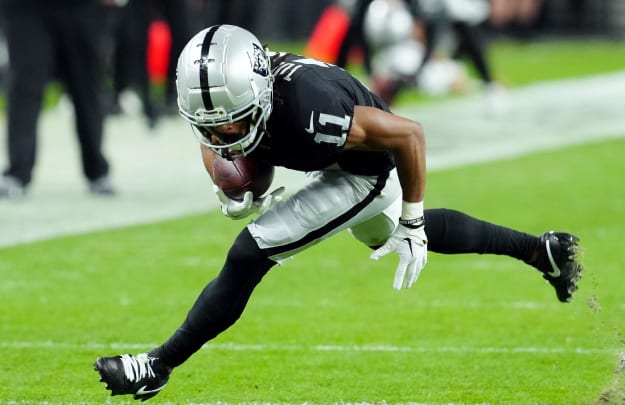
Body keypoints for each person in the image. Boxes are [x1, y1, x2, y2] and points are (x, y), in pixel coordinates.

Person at [92, 24, 583, 401]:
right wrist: (230, 187)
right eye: (213, 126)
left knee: (249, 254)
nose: (223, 137)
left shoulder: (314, 111)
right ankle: (542, 251)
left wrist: (413, 217)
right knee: (382, 235)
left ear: (259, 95)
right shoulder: (231, 96)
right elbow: (213, 137)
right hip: (334, 154)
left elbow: (408, 133)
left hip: (362, 170)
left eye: (231, 124)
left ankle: (156, 365)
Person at [0, 0, 116, 198]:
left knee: (87, 89)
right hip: (25, 7)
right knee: (25, 86)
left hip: (82, 7)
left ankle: (97, 170)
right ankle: (17, 172)